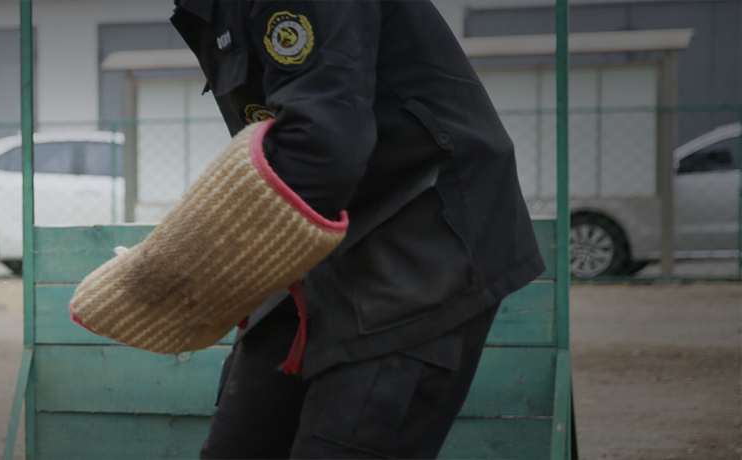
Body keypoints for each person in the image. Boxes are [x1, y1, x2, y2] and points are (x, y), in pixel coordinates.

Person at [168, 1, 545, 458]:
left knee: (344, 442)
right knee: (240, 442)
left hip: (422, 233)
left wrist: (200, 262)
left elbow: (322, 145)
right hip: (317, 232)